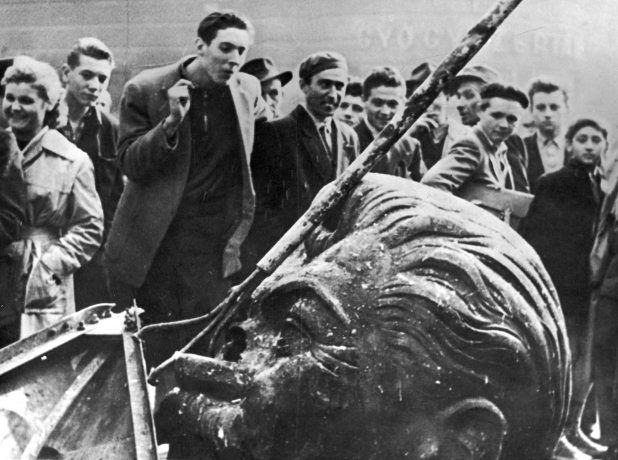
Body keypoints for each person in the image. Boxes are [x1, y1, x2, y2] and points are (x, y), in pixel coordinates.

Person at [105, 12, 269, 361]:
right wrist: (171, 122)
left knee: (205, 352)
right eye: (225, 48)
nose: (234, 59)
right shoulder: (146, 88)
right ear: (200, 45)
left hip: (212, 249)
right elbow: (130, 163)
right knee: (153, 354)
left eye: (242, 51)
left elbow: (262, 150)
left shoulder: (248, 89)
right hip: (156, 247)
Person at [521, 118, 607, 456]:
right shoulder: (553, 183)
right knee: (561, 362)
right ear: (569, 144)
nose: (589, 145)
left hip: (588, 288)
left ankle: (572, 430)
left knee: (585, 365)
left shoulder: (602, 185)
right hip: (560, 287)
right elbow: (537, 237)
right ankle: (554, 437)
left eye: (596, 140)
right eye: (582, 139)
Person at [1, 56, 103, 338]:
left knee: (35, 365)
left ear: (48, 104)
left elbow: (90, 228)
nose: (15, 107)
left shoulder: (71, 160)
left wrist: (49, 265)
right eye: (9, 97)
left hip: (40, 276)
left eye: (26, 100)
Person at [245, 51, 359, 270]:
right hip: (288, 257)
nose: (333, 94)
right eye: (325, 84)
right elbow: (263, 208)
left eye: (339, 86)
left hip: (330, 257)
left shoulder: (348, 137)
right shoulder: (277, 133)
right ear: (304, 86)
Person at [58, 37, 122, 309]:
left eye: (102, 78)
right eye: (86, 75)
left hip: (91, 253)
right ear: (65, 73)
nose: (95, 85)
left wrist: (103, 248)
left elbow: (115, 195)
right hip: (43, 246)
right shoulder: (42, 120)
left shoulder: (110, 129)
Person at [422, 83, 528, 197]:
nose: (503, 125)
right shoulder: (472, 145)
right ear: (479, 111)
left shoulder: (499, 147)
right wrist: (459, 213)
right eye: (496, 115)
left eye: (512, 119)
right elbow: (432, 184)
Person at [448, 64, 529, 192]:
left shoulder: (505, 138)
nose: (460, 104)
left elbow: (517, 196)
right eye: (458, 96)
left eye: (469, 95)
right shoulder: (459, 136)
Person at [354, 66, 425, 179]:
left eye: (392, 104)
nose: (385, 112)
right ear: (364, 101)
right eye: (378, 103)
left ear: (403, 103)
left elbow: (421, 189)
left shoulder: (410, 146)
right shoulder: (349, 141)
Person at [524, 79, 569, 190]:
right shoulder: (521, 147)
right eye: (541, 107)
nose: (548, 114)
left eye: (554, 107)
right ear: (531, 110)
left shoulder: (579, 148)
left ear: (566, 108)